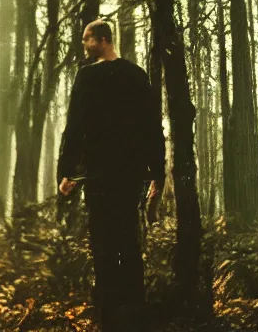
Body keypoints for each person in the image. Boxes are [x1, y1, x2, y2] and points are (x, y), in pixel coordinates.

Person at [57, 19, 165, 332]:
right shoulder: (136, 75)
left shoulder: (88, 77)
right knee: (127, 241)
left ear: (103, 39)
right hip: (128, 176)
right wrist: (156, 171)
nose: (84, 46)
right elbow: (151, 128)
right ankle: (133, 314)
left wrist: (67, 172)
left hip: (102, 178)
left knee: (105, 244)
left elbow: (75, 127)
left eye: (87, 40)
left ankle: (109, 319)